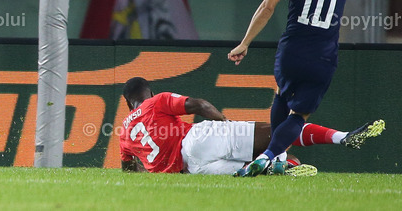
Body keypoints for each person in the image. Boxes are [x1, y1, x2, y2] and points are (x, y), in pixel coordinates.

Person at [227, 0, 366, 176]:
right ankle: (272, 156)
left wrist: (245, 43)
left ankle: (272, 157)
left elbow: (268, 7)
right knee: (299, 115)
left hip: (292, 50)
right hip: (324, 56)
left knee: (281, 94)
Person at [119, 77, 384, 176]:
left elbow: (129, 169)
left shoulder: (123, 133)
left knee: (277, 163)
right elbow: (198, 105)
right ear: (148, 92)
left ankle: (284, 166)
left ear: (128, 103)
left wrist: (151, 169)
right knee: (280, 130)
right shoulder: (156, 102)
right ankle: (344, 138)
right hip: (197, 141)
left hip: (193, 169)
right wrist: (224, 124)